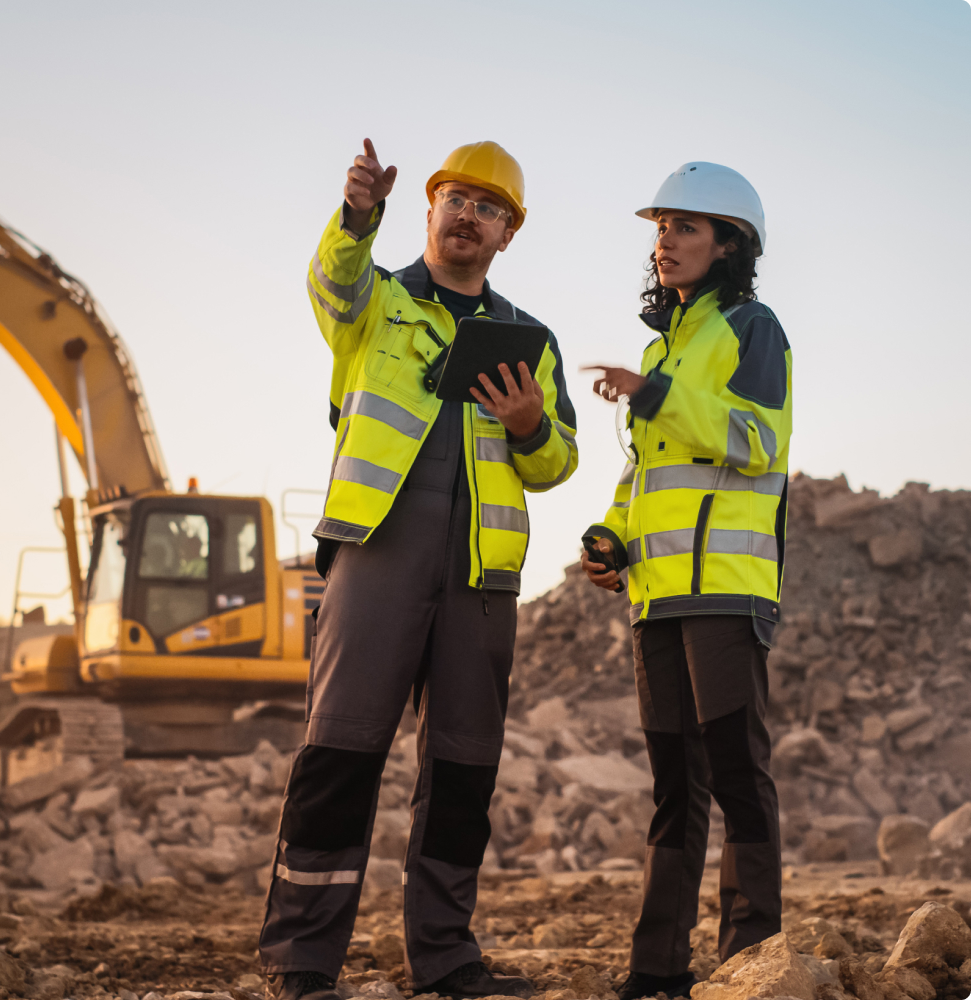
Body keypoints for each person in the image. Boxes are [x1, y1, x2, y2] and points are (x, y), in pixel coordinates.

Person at [259, 139, 578, 1000]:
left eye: (490, 207)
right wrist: (357, 217)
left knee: (464, 771)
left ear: (508, 234)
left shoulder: (531, 342)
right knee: (340, 755)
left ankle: (444, 956)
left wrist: (526, 424)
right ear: (430, 208)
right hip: (376, 553)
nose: (469, 215)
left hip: (480, 580)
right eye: (456, 199)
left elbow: (557, 466)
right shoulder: (378, 301)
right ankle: (302, 961)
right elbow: (332, 284)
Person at [581, 162, 792, 1000]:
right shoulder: (660, 345)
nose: (664, 241)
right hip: (656, 598)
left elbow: (756, 439)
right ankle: (658, 967)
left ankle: (752, 964)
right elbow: (644, 476)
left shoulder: (753, 327)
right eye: (660, 227)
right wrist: (611, 536)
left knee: (738, 771)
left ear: (730, 243)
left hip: (728, 591)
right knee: (676, 786)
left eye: (685, 227)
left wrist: (658, 391)